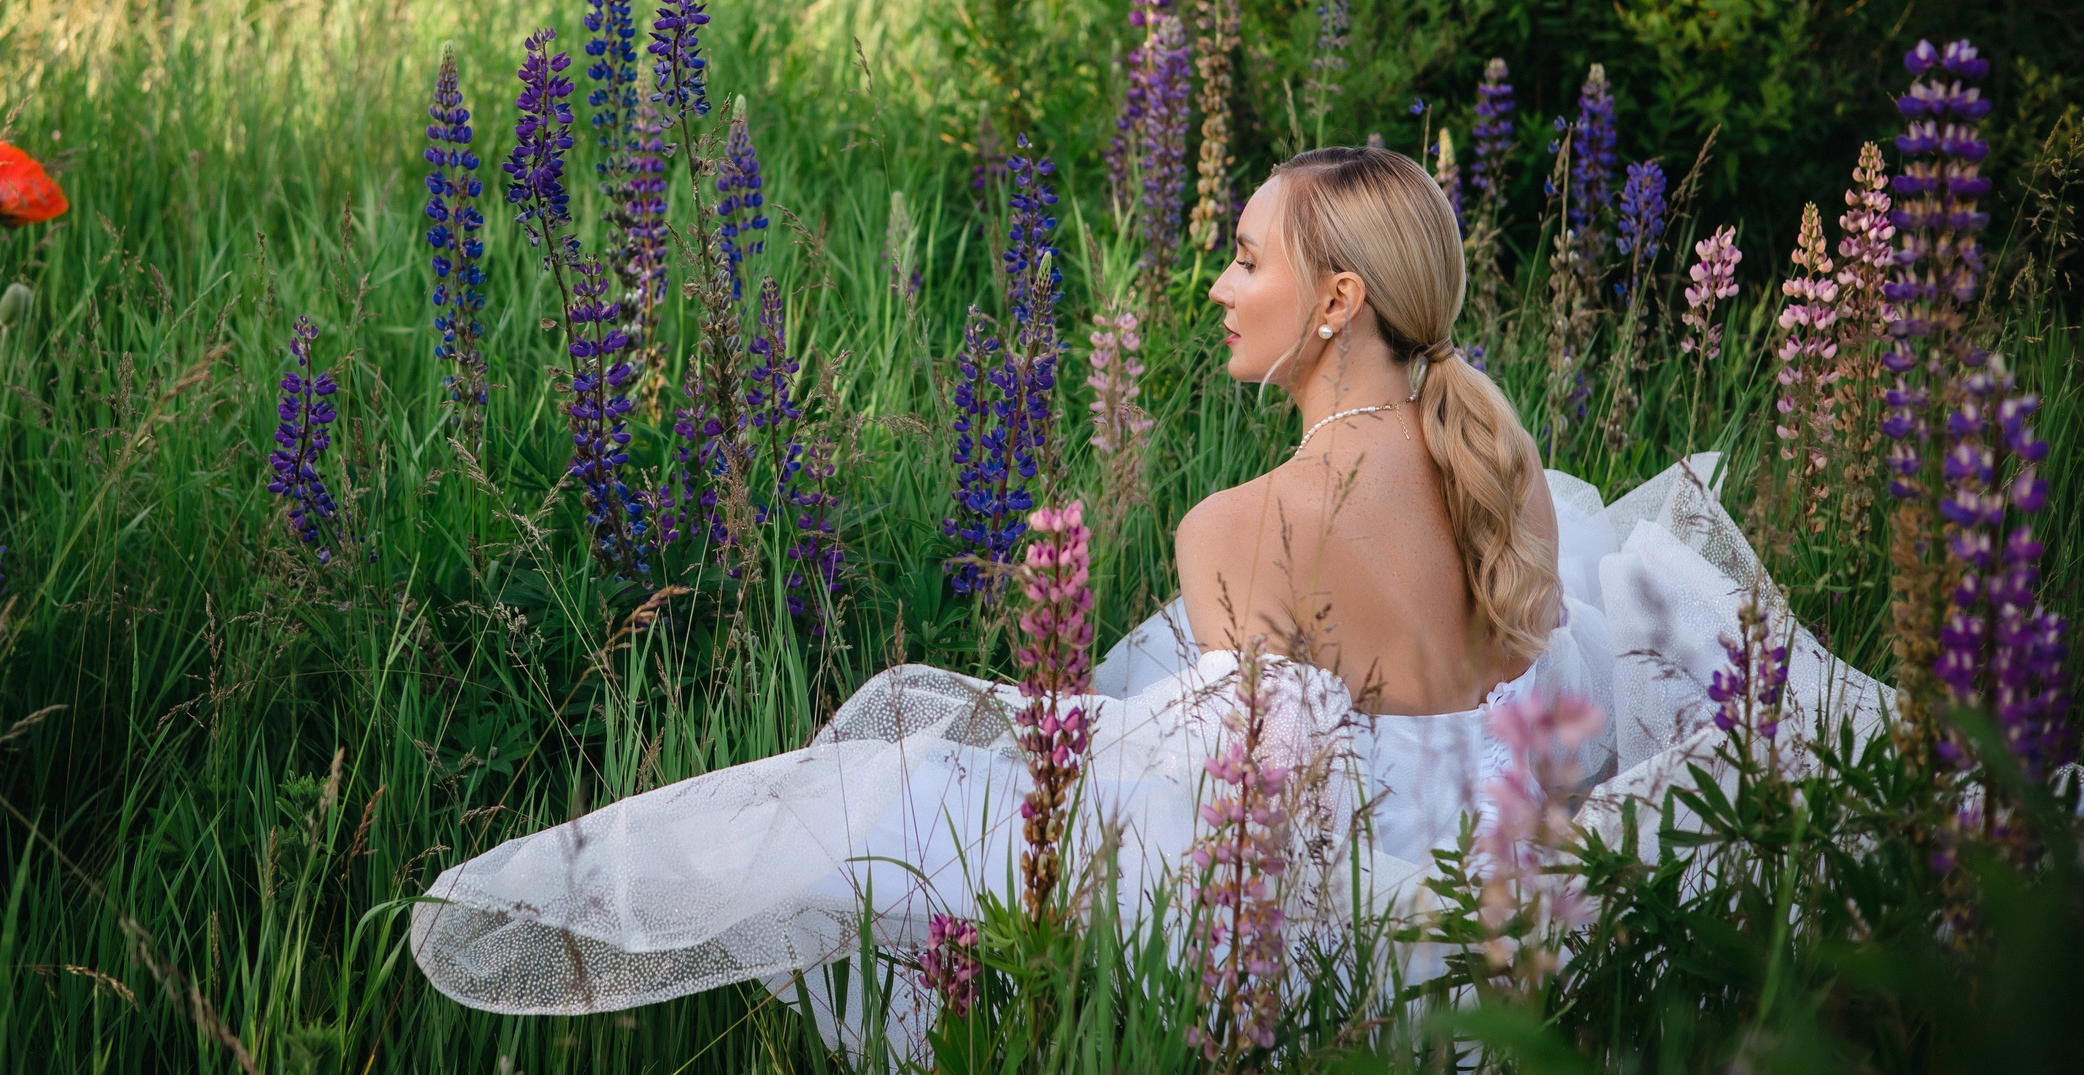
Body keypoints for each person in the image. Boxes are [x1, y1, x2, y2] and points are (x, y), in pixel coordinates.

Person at [410, 147, 1889, 1052]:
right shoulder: (1505, 477)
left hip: (1381, 904)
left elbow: (1259, 780)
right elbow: (1505, 685)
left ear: (1336, 302)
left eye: (1246, 259)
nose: (1217, 286)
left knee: (917, 811)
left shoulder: (1235, 523)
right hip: (1521, 856)